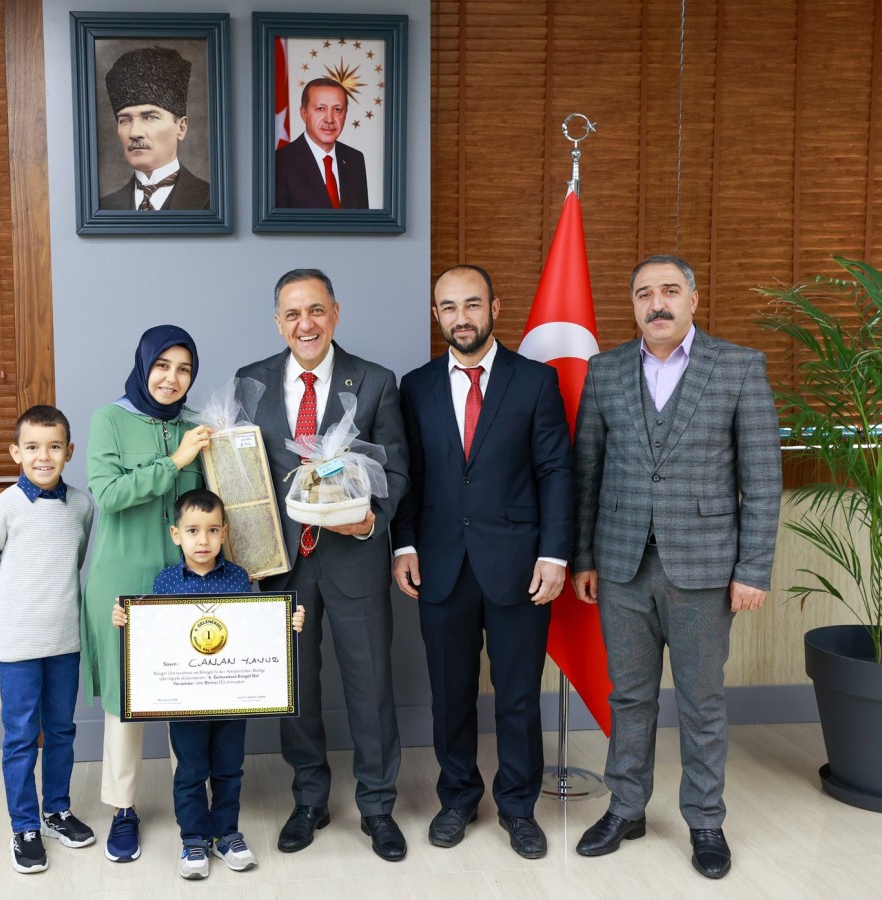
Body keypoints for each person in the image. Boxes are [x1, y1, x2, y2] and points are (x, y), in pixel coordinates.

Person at [570, 255, 781, 880]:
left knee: (701, 700)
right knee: (629, 695)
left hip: (706, 567)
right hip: (621, 564)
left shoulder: (739, 367)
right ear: (633, 304)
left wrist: (754, 568)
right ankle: (626, 807)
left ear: (693, 298)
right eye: (644, 293)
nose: (656, 303)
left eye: (668, 291)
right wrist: (584, 556)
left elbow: (762, 479)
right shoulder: (605, 370)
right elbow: (587, 472)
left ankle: (706, 820)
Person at [391, 265, 573, 860]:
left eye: (472, 304)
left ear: (495, 308)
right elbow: (410, 475)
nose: (461, 317)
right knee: (451, 695)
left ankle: (518, 807)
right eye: (449, 307)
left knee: (518, 696)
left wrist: (554, 553)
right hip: (440, 563)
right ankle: (458, 798)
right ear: (436, 315)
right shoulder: (415, 386)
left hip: (520, 564)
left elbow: (555, 470)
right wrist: (404, 544)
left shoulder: (535, 381)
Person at [235, 268, 409, 861]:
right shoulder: (251, 381)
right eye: (292, 314)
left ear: (335, 313)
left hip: (354, 555)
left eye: (315, 310)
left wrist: (370, 521)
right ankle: (309, 798)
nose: (304, 324)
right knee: (297, 688)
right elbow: (242, 475)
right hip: (280, 563)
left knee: (371, 687)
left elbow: (397, 469)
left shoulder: (376, 381)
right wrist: (245, 552)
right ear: (277, 322)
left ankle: (378, 806)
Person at [112, 488, 306, 881]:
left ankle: (227, 833)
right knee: (190, 771)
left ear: (224, 532)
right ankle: (194, 839)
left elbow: (254, 632)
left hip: (232, 698)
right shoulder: (166, 581)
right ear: (176, 534)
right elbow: (157, 638)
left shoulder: (238, 578)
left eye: (213, 530)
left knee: (229, 769)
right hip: (185, 702)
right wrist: (128, 622)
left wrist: (286, 624)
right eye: (193, 530)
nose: (203, 540)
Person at [82, 325, 210, 863]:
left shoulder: (199, 426)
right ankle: (123, 810)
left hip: (188, 578)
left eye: (184, 369)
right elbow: (108, 495)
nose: (172, 378)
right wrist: (176, 461)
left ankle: (194, 809)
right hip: (122, 580)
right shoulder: (108, 420)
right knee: (126, 701)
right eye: (162, 365)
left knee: (190, 692)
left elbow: (215, 503)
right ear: (143, 366)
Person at [0, 404, 97, 874]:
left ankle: (56, 811)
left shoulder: (81, 506)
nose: (44, 456)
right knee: (22, 736)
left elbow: (74, 559)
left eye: (54, 446)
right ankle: (24, 826)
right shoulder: (1, 509)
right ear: (16, 452)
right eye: (33, 447)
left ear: (69, 451)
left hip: (64, 640)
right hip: (18, 645)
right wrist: (20, 603)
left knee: (61, 729)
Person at [100, 46, 210, 211]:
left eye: (150, 117)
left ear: (181, 127)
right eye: (125, 120)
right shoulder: (104, 207)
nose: (135, 133)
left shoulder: (214, 201)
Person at [275, 79, 369, 209]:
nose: (329, 119)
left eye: (337, 109)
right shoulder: (280, 162)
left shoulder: (355, 159)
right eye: (321, 109)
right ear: (304, 113)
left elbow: (362, 219)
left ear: (345, 114)